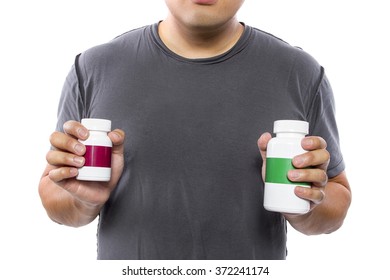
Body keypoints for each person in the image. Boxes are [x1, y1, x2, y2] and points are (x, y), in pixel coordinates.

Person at [38, 0, 351, 260]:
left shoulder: (300, 73)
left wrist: (305, 207)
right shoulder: (93, 68)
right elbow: (53, 194)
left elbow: (337, 197)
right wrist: (83, 202)